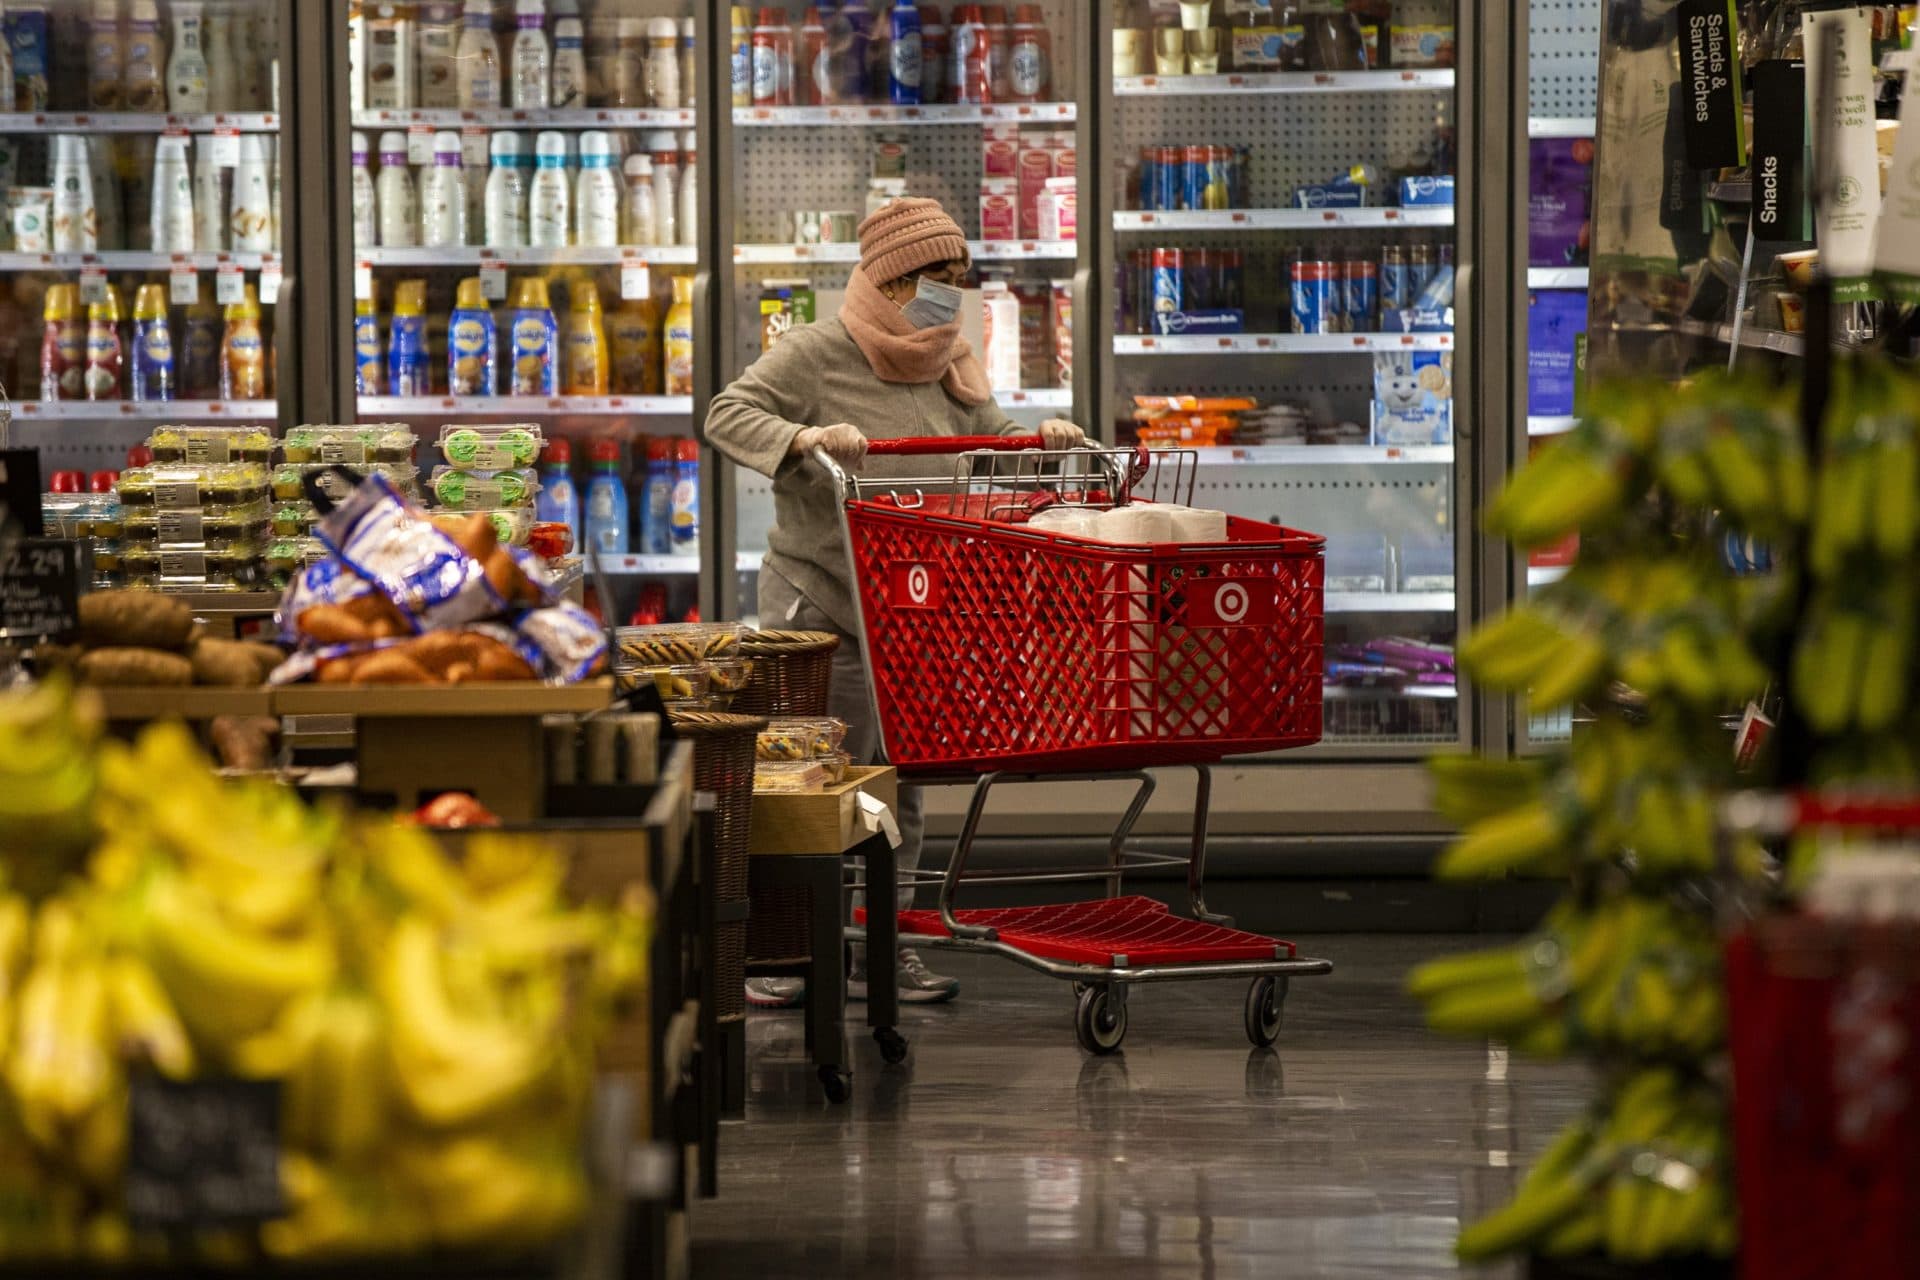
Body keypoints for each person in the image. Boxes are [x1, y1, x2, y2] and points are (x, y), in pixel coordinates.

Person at [707, 197, 1085, 1008]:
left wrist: (1045, 442)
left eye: (959, 279)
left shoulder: (949, 362)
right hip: (824, 602)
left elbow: (995, 441)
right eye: (932, 280)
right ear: (888, 281)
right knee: (813, 781)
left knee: (897, 786)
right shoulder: (814, 354)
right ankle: (788, 950)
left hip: (914, 610)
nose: (951, 295)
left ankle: (883, 943)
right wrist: (801, 440)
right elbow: (727, 413)